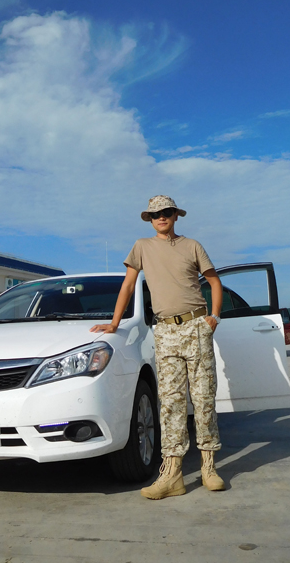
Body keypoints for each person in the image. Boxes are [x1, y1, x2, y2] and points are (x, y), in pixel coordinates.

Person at [90, 195, 225, 499]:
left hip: (196, 326)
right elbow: (128, 285)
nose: (161, 217)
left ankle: (209, 467)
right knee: (171, 402)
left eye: (166, 212)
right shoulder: (142, 247)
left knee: (203, 398)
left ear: (176, 215)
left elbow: (214, 282)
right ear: (149, 219)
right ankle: (172, 474)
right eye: (155, 214)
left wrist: (213, 317)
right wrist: (113, 323)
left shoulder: (192, 246)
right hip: (164, 331)